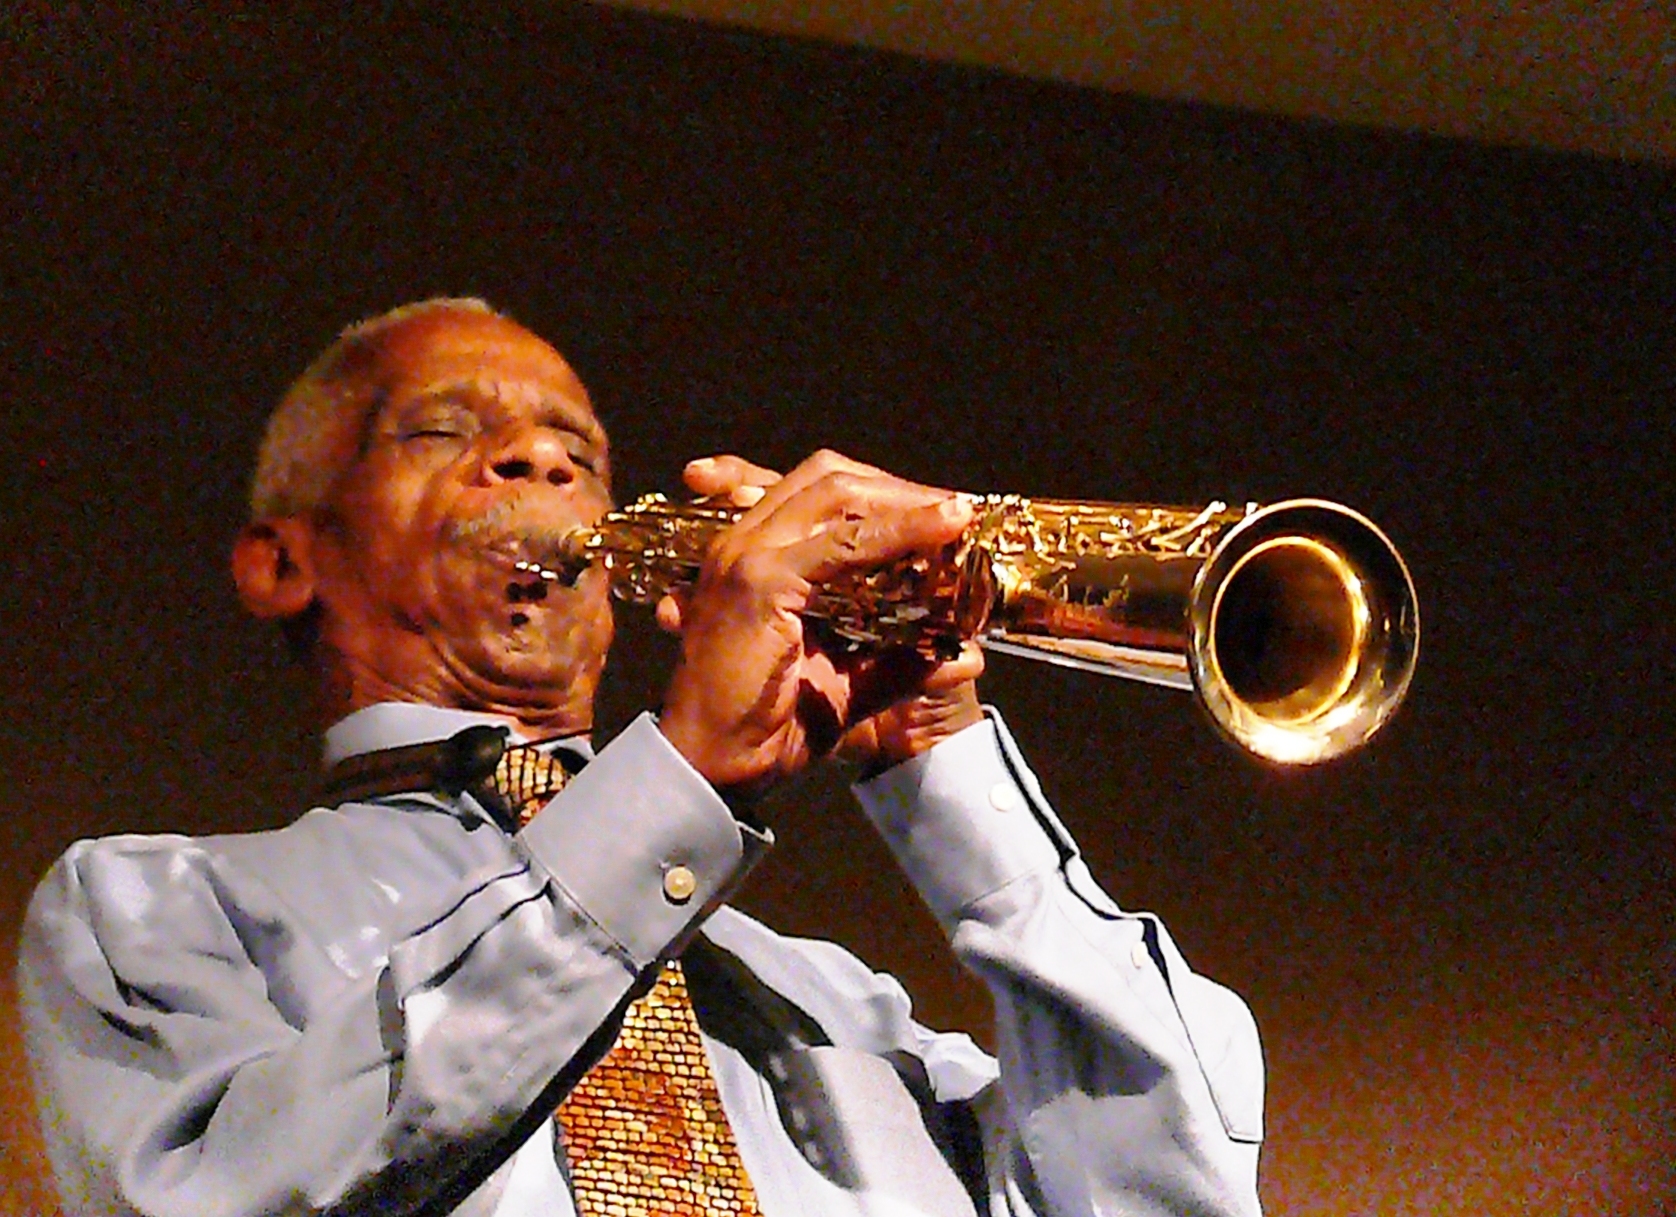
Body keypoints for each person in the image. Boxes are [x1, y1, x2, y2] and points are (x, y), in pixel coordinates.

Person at [17, 298, 1264, 1217]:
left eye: (578, 452)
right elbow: (232, 1195)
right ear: (280, 560)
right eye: (442, 429)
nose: (541, 462)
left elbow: (1173, 1191)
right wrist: (677, 783)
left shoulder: (839, 1003)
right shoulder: (152, 904)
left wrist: (941, 764)